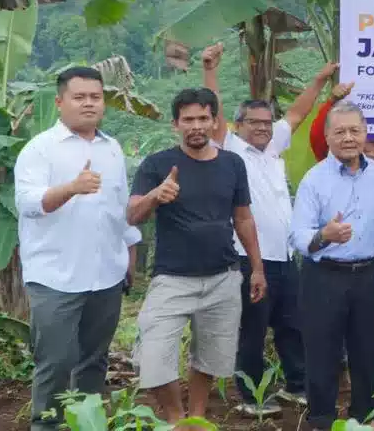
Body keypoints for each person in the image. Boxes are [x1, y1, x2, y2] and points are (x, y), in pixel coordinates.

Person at [200, 42, 337, 416]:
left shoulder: (273, 145)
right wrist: (210, 70)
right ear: (239, 125)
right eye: (254, 123)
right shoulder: (230, 148)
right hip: (248, 258)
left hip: (285, 255)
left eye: (266, 122)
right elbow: (214, 113)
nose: (262, 128)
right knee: (253, 329)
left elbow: (297, 113)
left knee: (293, 324)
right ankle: (251, 397)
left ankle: (297, 386)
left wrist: (320, 80)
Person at [128, 88, 268, 425]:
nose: (196, 126)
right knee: (153, 355)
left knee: (210, 358)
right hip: (172, 278)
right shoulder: (157, 164)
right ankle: (178, 419)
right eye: (188, 119)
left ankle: (197, 419)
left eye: (203, 118)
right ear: (175, 124)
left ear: (215, 121)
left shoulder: (232, 164)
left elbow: (243, 218)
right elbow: (132, 215)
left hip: (223, 277)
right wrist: (156, 195)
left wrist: (257, 268)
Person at [14, 67, 140, 431]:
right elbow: (28, 204)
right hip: (55, 276)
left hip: (106, 274)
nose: (89, 104)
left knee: (94, 361)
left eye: (95, 97)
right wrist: (71, 188)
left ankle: (87, 423)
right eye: (79, 97)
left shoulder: (111, 148)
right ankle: (46, 426)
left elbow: (120, 208)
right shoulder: (40, 149)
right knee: (55, 361)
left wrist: (130, 254)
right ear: (60, 102)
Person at [290, 101, 374, 429]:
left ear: (365, 133)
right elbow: (298, 235)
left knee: (365, 350)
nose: (348, 138)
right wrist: (324, 236)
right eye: (340, 132)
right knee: (322, 352)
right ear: (327, 137)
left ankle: (363, 418)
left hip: (366, 275)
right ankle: (321, 420)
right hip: (323, 276)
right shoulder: (314, 180)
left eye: (355, 130)